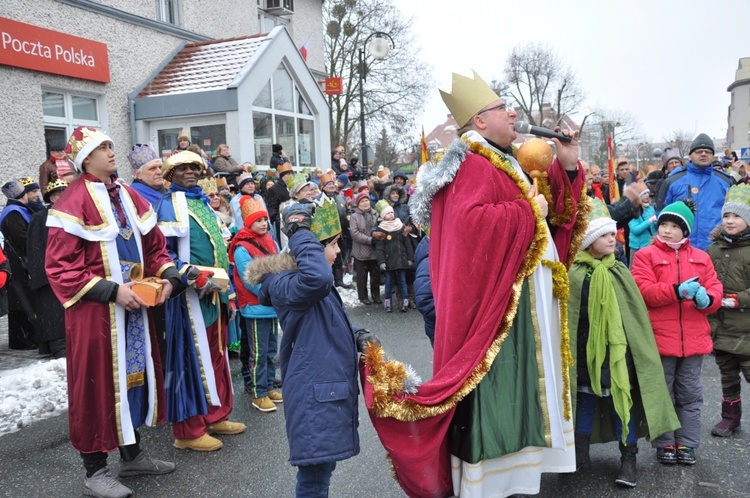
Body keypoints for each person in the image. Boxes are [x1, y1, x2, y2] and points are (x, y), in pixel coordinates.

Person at [361, 70, 587, 497]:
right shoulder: (471, 161)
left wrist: (568, 163)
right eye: (503, 106)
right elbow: (471, 228)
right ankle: (493, 483)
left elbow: (557, 216)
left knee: (523, 390)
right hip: (501, 306)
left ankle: (518, 477)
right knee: (502, 388)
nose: (514, 111)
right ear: (480, 121)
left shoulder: (506, 159)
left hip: (524, 301)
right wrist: (528, 212)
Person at [45, 126, 181, 498]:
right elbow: (60, 268)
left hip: (134, 311)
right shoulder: (70, 203)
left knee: (130, 381)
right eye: (102, 147)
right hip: (95, 316)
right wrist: (111, 291)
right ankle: (95, 471)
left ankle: (132, 455)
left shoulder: (128, 196)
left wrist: (167, 275)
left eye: (110, 144)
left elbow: (155, 247)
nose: (110, 151)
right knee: (96, 386)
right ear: (85, 158)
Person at [244, 197, 379, 497]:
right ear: (314, 249)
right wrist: (301, 231)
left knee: (321, 470)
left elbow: (326, 322)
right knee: (315, 478)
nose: (339, 250)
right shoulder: (288, 283)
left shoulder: (305, 285)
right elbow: (317, 277)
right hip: (314, 394)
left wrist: (356, 334)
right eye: (333, 245)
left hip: (324, 392)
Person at [569, 199, 679, 488]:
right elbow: (566, 317)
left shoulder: (620, 272)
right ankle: (579, 455)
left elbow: (634, 317)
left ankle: (628, 459)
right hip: (585, 355)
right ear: (589, 241)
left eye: (612, 233)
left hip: (620, 356)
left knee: (623, 405)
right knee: (584, 403)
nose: (612, 238)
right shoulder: (574, 274)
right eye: (604, 235)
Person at [155, 150, 246, 452]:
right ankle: (188, 431)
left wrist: (227, 290)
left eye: (194, 168)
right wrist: (191, 276)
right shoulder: (168, 205)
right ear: (170, 176)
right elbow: (160, 254)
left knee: (216, 355)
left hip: (214, 295)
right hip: (186, 299)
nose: (190, 173)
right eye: (182, 169)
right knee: (188, 363)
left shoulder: (202, 203)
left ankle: (215, 413)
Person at [631, 200, 723, 466]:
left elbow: (715, 288)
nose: (667, 230)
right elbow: (642, 290)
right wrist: (674, 291)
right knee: (663, 392)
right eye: (663, 225)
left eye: (674, 226)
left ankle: (687, 442)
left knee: (690, 394)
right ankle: (664, 442)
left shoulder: (701, 258)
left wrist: (708, 300)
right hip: (660, 339)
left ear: (686, 231)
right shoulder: (646, 256)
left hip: (693, 341)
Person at [228, 196, 281, 412]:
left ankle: (268, 386)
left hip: (273, 305)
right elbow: (250, 278)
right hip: (256, 306)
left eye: (265, 220)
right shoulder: (242, 247)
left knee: (270, 351)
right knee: (258, 353)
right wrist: (272, 294)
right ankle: (258, 393)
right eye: (258, 220)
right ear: (248, 222)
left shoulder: (271, 241)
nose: (263, 224)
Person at [706, 183, 750, 437]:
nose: (730, 221)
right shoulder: (713, 250)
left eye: (737, 216)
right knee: (728, 375)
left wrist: (740, 299)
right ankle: (730, 417)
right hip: (720, 328)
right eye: (726, 216)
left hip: (746, 330)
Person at [656, 134, 734, 250]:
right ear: (690, 156)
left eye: (707, 151)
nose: (703, 154)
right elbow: (660, 215)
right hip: (681, 249)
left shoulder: (726, 182)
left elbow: (734, 215)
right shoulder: (673, 181)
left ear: (713, 156)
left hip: (717, 249)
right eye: (699, 151)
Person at [27, 179, 68, 358]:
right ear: (51, 197)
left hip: (69, 271)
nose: (61, 197)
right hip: (48, 274)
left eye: (64, 192)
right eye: (57, 194)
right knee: (52, 312)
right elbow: (35, 248)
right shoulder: (39, 218)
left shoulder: (72, 214)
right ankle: (58, 347)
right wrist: (41, 275)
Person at [0, 180, 36, 350]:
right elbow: (22, 238)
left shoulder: (14, 211)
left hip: (17, 262)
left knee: (21, 300)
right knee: (21, 301)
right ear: (23, 195)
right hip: (17, 263)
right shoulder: (13, 213)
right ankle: (22, 339)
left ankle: (22, 338)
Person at [374, 200, 413, 313]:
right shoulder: (381, 229)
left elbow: (406, 243)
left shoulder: (400, 225)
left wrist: (410, 258)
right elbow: (379, 247)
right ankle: (387, 303)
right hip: (388, 261)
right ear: (382, 216)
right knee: (388, 283)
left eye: (391, 212)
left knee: (402, 281)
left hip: (401, 259)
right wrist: (381, 261)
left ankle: (405, 302)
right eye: (388, 213)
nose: (391, 215)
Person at [320, 171, 353, 289]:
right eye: (328, 184)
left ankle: (339, 281)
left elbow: (347, 211)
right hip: (327, 234)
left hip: (341, 232)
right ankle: (328, 281)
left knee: (339, 258)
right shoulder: (319, 200)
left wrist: (348, 215)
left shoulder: (340, 198)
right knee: (329, 259)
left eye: (332, 183)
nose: (331, 186)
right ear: (323, 187)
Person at [349, 192, 381, 306]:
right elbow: (354, 233)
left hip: (374, 250)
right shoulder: (354, 217)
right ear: (358, 204)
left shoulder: (376, 214)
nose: (365, 203)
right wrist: (369, 240)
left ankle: (376, 295)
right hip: (360, 251)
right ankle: (363, 297)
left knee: (375, 274)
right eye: (362, 201)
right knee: (362, 276)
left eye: (366, 200)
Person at [627, 189, 657, 267]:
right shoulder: (632, 210)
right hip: (638, 246)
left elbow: (654, 229)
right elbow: (635, 230)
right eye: (644, 193)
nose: (647, 195)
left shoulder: (651, 208)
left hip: (650, 244)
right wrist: (650, 221)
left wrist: (657, 222)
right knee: (635, 269)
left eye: (648, 193)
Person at [266, 162, 293, 243]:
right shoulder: (274, 189)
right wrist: (279, 220)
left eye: (292, 174)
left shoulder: (295, 186)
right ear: (282, 176)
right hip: (282, 222)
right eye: (288, 174)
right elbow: (272, 208)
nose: (291, 176)